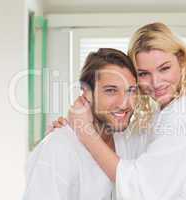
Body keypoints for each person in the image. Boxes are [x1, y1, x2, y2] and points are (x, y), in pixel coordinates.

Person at [64, 22, 186, 200]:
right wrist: (74, 124)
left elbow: (141, 188)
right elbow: (121, 150)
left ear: (181, 61)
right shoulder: (158, 115)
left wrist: (84, 132)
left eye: (164, 68)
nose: (156, 82)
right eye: (143, 74)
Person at [22, 48, 140, 200]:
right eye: (111, 91)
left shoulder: (131, 141)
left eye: (131, 91)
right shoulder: (58, 148)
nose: (124, 104)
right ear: (86, 92)